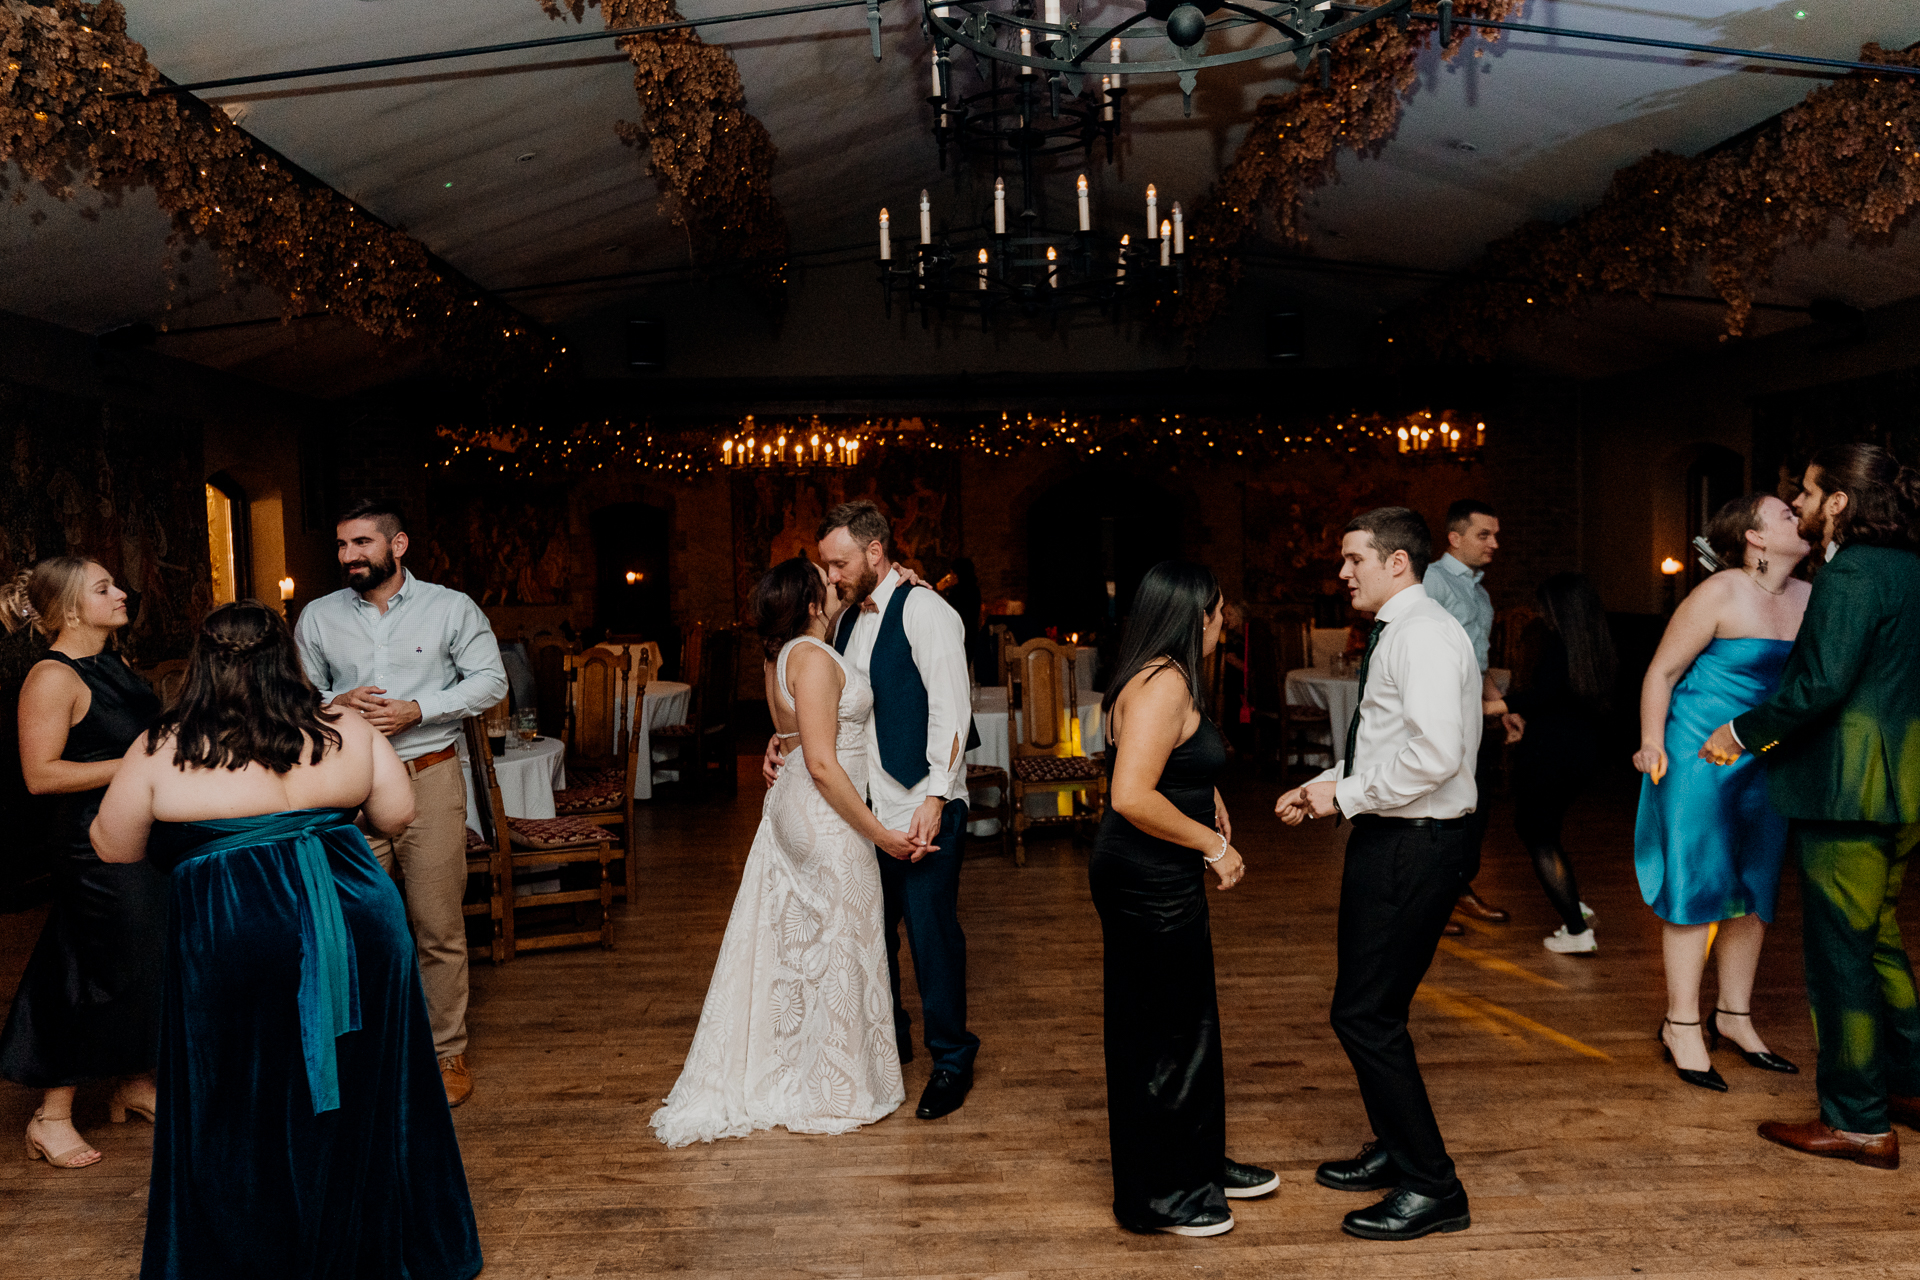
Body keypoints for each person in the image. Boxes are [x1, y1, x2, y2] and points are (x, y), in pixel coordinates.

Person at [90, 600, 481, 1279]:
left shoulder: (164, 743)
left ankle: (257, 1251)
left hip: (234, 925)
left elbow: (114, 845)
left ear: (204, 664)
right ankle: (374, 1244)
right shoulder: (346, 729)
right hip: (353, 914)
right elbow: (396, 814)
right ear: (289, 658)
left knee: (240, 1089)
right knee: (367, 1079)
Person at [1702, 444, 1920, 1169]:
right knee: (1879, 940)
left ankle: (1857, 1121)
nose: (1794, 502)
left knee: (1839, 957)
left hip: (1850, 794)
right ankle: (1909, 1088)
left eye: (1807, 491)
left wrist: (1740, 733)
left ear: (1839, 503)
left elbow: (1821, 684)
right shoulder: (1910, 568)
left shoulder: (1852, 571)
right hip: (1904, 789)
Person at [1276, 506, 1480, 1242]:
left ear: (1398, 563)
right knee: (1372, 1011)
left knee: (1364, 1015)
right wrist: (1329, 784)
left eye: (1353, 558)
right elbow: (1392, 743)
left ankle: (1433, 1186)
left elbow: (1435, 758)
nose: (1342, 572)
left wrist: (1347, 796)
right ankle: (1398, 1149)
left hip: (1414, 843)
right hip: (1394, 836)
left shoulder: (1421, 636)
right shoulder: (1404, 632)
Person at [653, 558, 907, 1146]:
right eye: (826, 575)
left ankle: (796, 1063)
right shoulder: (814, 658)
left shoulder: (782, 655)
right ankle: (833, 1086)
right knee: (839, 938)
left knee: (803, 943)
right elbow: (822, 761)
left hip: (795, 803)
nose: (835, 577)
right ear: (813, 602)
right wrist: (879, 832)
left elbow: (797, 739)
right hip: (824, 813)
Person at [764, 501, 980, 1120]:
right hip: (860, 811)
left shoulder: (928, 610)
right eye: (826, 566)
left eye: (839, 563)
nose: (829, 576)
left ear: (876, 552)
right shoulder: (843, 624)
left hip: (920, 802)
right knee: (874, 933)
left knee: (932, 934)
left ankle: (952, 1060)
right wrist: (786, 743)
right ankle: (893, 1036)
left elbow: (951, 709)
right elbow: (823, 703)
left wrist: (937, 796)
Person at [294, 499, 507, 1109]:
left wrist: (420, 709)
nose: (349, 556)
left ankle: (446, 1050)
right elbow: (296, 691)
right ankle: (363, 1046)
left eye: (361, 543)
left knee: (437, 925)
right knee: (352, 921)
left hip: (429, 778)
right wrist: (336, 701)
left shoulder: (450, 607)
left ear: (398, 545)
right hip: (347, 786)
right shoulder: (318, 615)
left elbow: (491, 681)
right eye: (342, 545)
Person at [1093, 560, 1276, 1238]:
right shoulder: (1163, 685)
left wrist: (1208, 789)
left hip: (1153, 871)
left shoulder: (1158, 676)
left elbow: (1166, 764)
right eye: (1218, 611)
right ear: (1193, 616)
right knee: (1160, 1035)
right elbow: (1131, 795)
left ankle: (1197, 1160)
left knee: (1187, 1023)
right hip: (1146, 877)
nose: (1224, 623)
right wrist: (1213, 844)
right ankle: (1162, 1198)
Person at [1631, 494, 1809, 1090]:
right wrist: (1652, 742)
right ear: (1755, 537)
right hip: (1696, 756)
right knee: (1697, 882)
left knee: (1755, 890)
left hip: (1764, 757)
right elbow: (1662, 672)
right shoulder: (1720, 592)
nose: (1798, 517)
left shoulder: (1812, 596)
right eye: (1785, 512)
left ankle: (1734, 1017)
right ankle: (1681, 1023)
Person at [0, 557, 167, 1169]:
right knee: (92, 966)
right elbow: (39, 775)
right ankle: (52, 1115)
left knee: (144, 957)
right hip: (90, 842)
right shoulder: (52, 677)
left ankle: (133, 1082)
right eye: (105, 589)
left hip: (138, 829)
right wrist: (140, 765)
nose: (122, 593)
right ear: (71, 609)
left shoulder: (113, 663)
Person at [1485, 573, 1617, 955]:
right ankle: (1573, 904)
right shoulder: (1596, 645)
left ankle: (1576, 930)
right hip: (1582, 751)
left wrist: (1495, 706)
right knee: (1543, 830)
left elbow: (1545, 694)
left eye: (1545, 606)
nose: (1541, 613)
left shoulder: (1559, 645)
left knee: (1538, 834)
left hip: (1550, 753)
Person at [1421, 499, 1510, 932]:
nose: (1494, 543)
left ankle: (1457, 889)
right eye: (1484, 535)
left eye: (1495, 534)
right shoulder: (1432, 583)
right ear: (1454, 539)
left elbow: (1479, 659)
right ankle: (1431, 901)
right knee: (1440, 805)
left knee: (1473, 807)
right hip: (1444, 717)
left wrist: (1499, 705)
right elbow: (1420, 655)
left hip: (1474, 717)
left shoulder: (1478, 589)